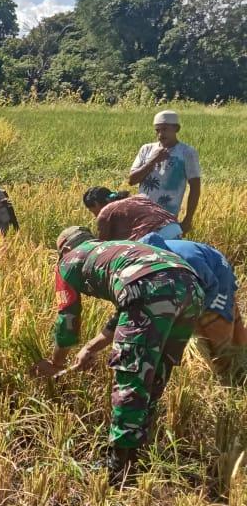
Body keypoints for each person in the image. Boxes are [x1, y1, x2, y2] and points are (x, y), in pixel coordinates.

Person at [32, 227, 202, 485]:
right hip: (191, 286)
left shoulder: (68, 260)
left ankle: (118, 468)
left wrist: (56, 363)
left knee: (131, 376)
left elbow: (67, 318)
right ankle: (137, 452)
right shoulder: (116, 249)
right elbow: (131, 303)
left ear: (64, 249)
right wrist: (91, 347)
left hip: (148, 288)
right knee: (154, 372)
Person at [139, 232, 246, 371]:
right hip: (202, 272)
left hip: (218, 278)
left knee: (216, 331)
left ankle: (230, 372)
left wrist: (195, 314)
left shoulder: (189, 259)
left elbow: (213, 286)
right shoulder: (149, 257)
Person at [128, 110, 201, 233]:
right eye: (157, 130)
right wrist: (152, 161)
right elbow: (132, 180)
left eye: (165, 129)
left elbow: (195, 187)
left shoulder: (187, 152)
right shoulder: (147, 149)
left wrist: (188, 219)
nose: (161, 134)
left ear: (176, 129)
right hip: (141, 217)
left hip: (167, 219)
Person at [82, 186, 182, 241]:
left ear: (96, 204)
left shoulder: (106, 211)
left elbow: (104, 245)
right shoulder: (137, 198)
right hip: (174, 228)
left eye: (92, 211)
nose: (95, 216)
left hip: (156, 234)